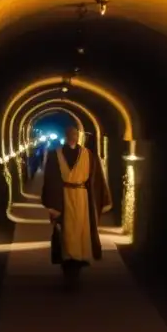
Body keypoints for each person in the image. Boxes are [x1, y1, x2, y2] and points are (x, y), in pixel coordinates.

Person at [41, 121, 111, 290]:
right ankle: (68, 266)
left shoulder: (88, 155)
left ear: (78, 136)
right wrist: (52, 205)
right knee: (66, 233)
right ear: (65, 136)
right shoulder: (55, 154)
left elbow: (96, 179)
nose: (72, 137)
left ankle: (78, 264)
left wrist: (99, 199)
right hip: (64, 198)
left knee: (81, 231)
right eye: (69, 134)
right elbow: (50, 179)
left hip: (82, 199)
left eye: (75, 134)